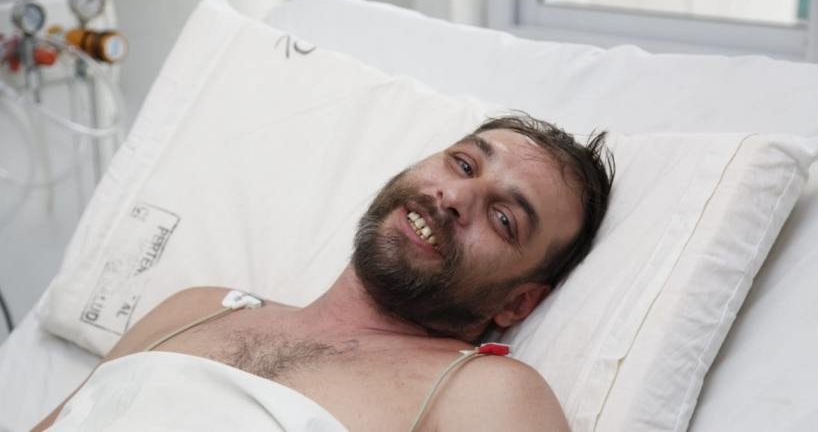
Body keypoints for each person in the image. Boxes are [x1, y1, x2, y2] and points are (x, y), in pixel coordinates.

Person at [35, 114, 614, 431]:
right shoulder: (197, 308)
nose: (456, 197)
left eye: (504, 219)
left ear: (518, 303)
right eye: (463, 164)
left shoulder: (485, 393)